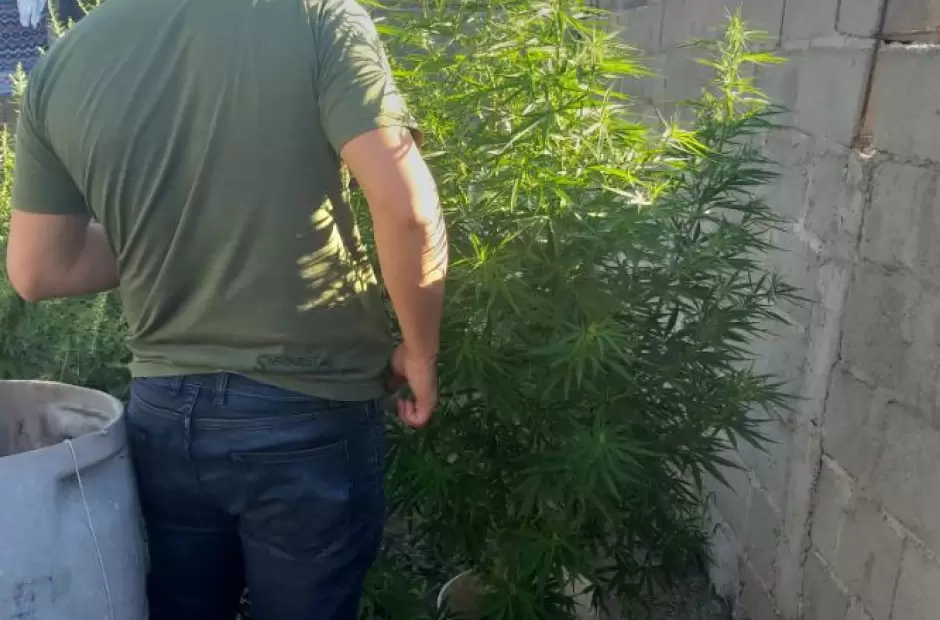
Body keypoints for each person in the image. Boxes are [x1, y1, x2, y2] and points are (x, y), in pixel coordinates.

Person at [4, 0, 448, 617]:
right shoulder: (316, 16)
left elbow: (38, 268)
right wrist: (421, 351)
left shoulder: (63, 61)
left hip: (165, 415)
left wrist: (169, 236)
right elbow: (407, 209)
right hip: (308, 405)